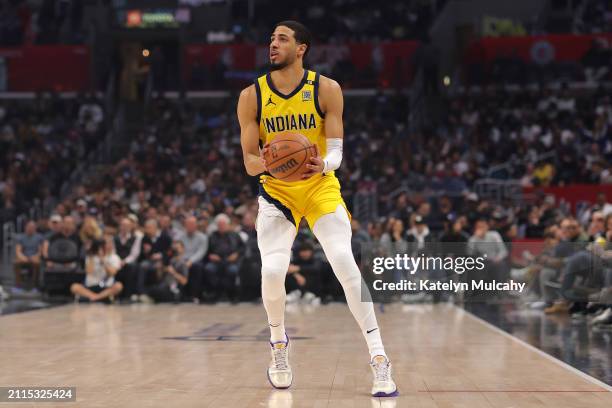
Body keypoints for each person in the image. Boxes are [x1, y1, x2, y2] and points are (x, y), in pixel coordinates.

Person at [237, 20, 397, 396]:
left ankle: (379, 358)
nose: (272, 44)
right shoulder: (251, 96)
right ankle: (279, 344)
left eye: (281, 39)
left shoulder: (326, 89)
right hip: (277, 192)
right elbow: (248, 162)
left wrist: (321, 163)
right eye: (271, 38)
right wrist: (270, 161)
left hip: (320, 186)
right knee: (273, 272)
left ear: (302, 47)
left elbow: (337, 151)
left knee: (344, 262)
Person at [70, 237, 123, 302]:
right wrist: (91, 255)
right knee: (74, 287)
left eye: (110, 243)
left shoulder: (114, 257)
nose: (108, 246)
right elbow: (89, 271)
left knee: (118, 286)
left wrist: (103, 261)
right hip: (91, 285)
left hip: (106, 286)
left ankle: (95, 297)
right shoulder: (90, 257)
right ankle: (98, 297)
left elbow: (112, 273)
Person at [14, 221, 44, 289]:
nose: (30, 228)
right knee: (16, 263)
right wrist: (23, 257)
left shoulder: (39, 237)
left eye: (32, 227)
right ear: (25, 227)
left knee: (37, 263)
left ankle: (35, 284)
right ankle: (18, 284)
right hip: (24, 257)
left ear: (35, 228)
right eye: (29, 227)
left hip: (34, 257)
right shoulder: (21, 237)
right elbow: (18, 251)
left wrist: (35, 257)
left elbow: (40, 251)